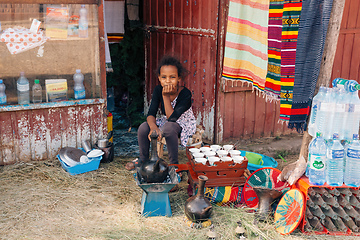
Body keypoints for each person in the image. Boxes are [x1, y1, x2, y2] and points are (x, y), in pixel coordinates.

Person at [125, 56, 196, 170]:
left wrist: (165, 96)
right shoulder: (158, 89)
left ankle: (174, 165)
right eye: (164, 77)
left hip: (183, 123)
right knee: (144, 127)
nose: (167, 81)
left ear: (179, 78)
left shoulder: (185, 94)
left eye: (172, 77)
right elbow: (151, 114)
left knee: (168, 127)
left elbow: (172, 118)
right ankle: (143, 159)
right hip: (167, 121)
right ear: (159, 78)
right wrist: (153, 128)